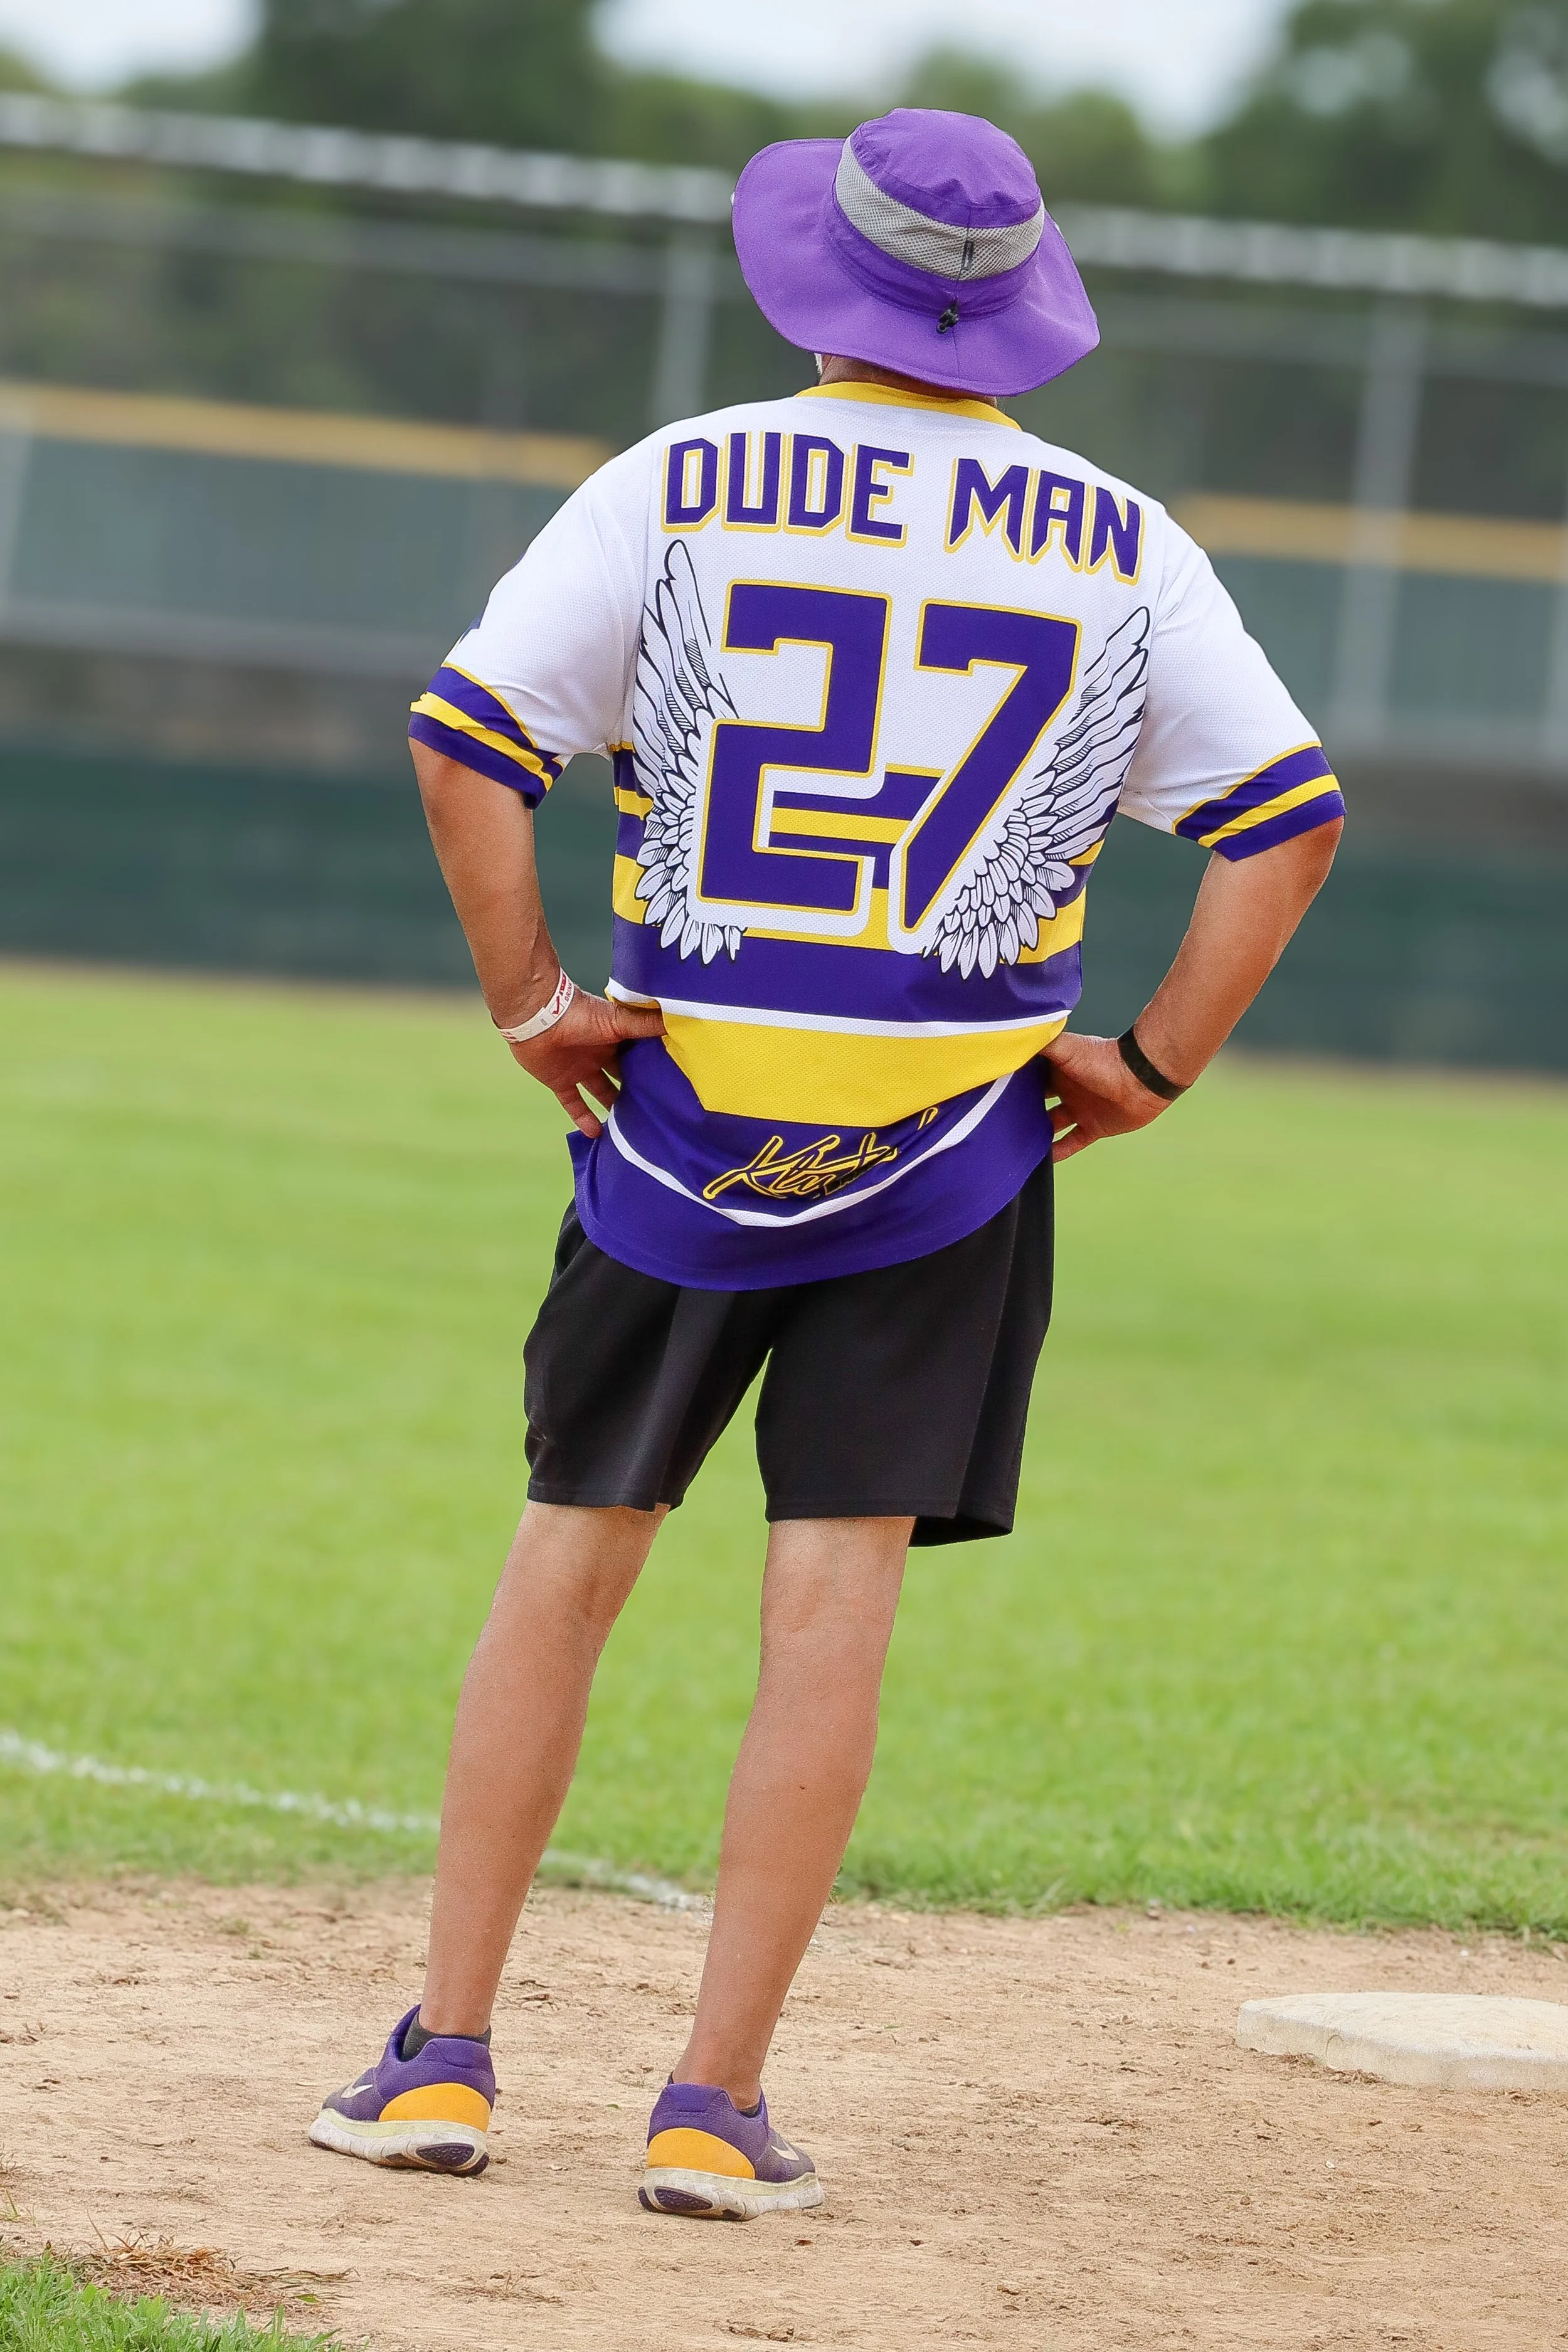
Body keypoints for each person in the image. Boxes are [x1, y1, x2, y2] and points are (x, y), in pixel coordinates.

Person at [308, 107, 1343, 2218]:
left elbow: (467, 740)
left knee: (570, 1552)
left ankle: (445, 2057)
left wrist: (529, 1004)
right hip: (955, 1143)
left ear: (817, 285)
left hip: (669, 1127)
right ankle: (710, 2102)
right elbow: (1281, 816)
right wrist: (1149, 1058)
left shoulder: (675, 482)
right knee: (829, 1595)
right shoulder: (1120, 537)